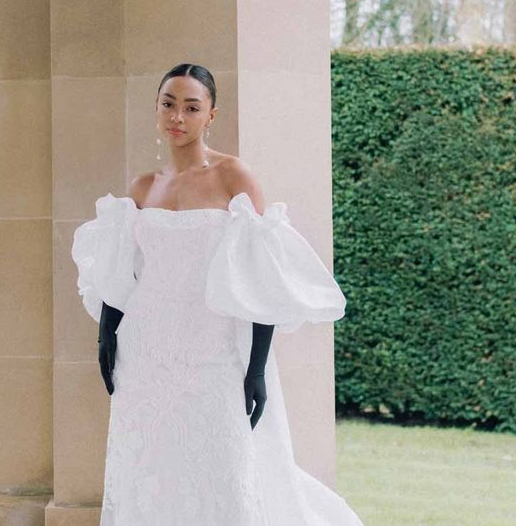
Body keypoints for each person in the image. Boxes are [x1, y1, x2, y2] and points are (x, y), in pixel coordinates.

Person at [71, 63, 366, 525]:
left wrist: (256, 369)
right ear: (156, 109)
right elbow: (121, 272)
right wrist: (106, 338)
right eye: (168, 104)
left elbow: (260, 277)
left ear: (211, 116)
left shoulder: (234, 178)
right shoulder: (144, 187)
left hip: (214, 350)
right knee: (149, 464)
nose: (178, 117)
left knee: (220, 465)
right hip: (146, 351)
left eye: (192, 107)